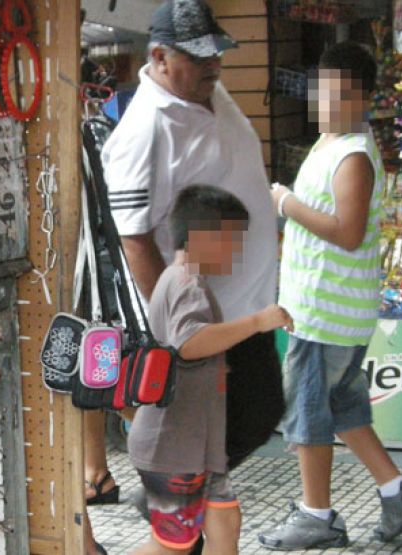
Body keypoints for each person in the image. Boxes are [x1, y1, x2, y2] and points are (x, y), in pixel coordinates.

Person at [258, 41, 402, 551]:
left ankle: (317, 515)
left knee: (309, 413)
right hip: (327, 308)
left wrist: (286, 203)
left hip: (326, 314)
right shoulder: (330, 144)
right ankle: (398, 490)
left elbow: (348, 231)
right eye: (322, 92)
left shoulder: (353, 155)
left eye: (341, 95)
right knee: (344, 407)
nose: (327, 103)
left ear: (363, 99)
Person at [102, 0, 283, 475]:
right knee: (234, 427)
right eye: (199, 57)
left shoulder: (206, 94)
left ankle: (178, 513)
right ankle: (170, 513)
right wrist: (177, 329)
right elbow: (134, 239)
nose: (214, 65)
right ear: (159, 58)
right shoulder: (145, 131)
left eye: (215, 53)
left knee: (253, 418)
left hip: (243, 306)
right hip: (205, 323)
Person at [129, 185, 292, 555]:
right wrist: (256, 322)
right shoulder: (187, 285)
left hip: (196, 446)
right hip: (173, 447)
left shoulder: (183, 280)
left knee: (225, 521)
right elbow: (189, 343)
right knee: (173, 546)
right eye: (232, 240)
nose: (237, 251)